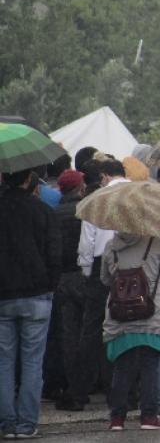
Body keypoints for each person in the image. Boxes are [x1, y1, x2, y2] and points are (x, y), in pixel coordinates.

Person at [0, 169, 61, 439]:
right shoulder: (43, 211)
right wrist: (50, 283)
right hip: (37, 294)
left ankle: (7, 423)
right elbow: (55, 253)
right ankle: (27, 423)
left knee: (4, 361)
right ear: (28, 180)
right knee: (32, 362)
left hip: (3, 295)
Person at [69, 159, 129, 410]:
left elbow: (87, 244)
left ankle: (79, 392)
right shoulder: (139, 194)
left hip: (100, 266)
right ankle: (127, 392)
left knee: (93, 330)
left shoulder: (96, 200)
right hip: (133, 267)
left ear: (104, 176)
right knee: (129, 327)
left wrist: (87, 271)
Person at [101, 233, 160, 431]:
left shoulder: (111, 246)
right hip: (152, 315)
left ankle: (117, 419)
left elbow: (105, 279)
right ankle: (149, 416)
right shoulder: (156, 242)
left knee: (122, 368)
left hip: (119, 317)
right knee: (150, 366)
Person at [52, 170, 89, 412]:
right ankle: (86, 385)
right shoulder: (86, 212)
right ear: (79, 187)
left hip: (62, 278)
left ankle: (71, 386)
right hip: (83, 275)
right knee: (89, 333)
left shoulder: (53, 213)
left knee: (68, 336)